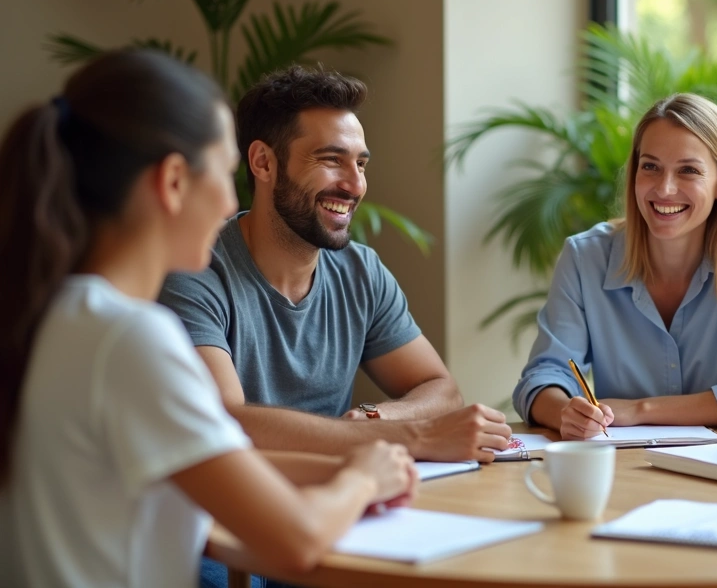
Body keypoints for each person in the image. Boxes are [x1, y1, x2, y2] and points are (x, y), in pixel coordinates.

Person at [0, 50, 418, 587]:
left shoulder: (57, 315)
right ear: (174, 182)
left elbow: (217, 460)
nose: (229, 204)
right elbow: (298, 540)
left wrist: (359, 466)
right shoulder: (132, 339)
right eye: (223, 174)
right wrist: (360, 479)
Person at [158, 66, 511, 464]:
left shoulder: (361, 271)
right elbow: (227, 423)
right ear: (263, 163)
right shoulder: (195, 271)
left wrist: (373, 419)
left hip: (352, 495)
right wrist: (413, 436)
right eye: (331, 160)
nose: (356, 185)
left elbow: (440, 388)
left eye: (360, 164)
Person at [514, 93, 717, 440]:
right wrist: (566, 412)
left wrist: (640, 410)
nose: (664, 189)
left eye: (688, 170)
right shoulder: (585, 256)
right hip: (622, 468)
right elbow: (541, 378)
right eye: (650, 166)